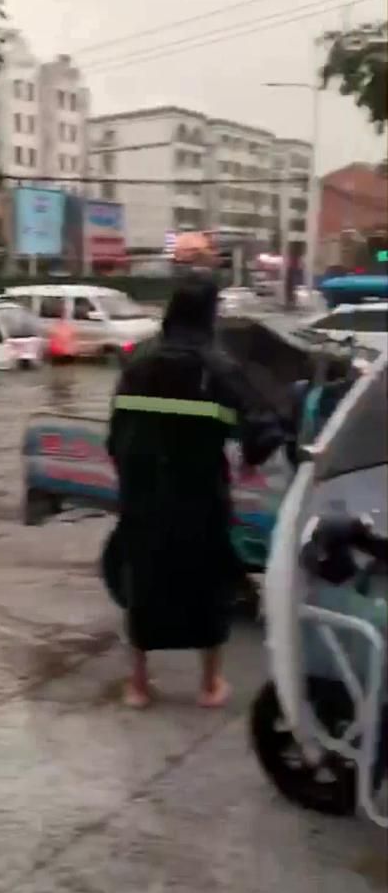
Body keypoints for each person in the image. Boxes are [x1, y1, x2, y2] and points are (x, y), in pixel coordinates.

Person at [103, 268, 285, 709]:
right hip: (200, 494)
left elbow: (116, 433)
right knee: (207, 583)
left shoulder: (139, 361)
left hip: (144, 495)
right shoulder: (220, 367)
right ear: (208, 314)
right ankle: (209, 686)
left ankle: (140, 685)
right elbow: (262, 427)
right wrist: (253, 459)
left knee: (144, 581)